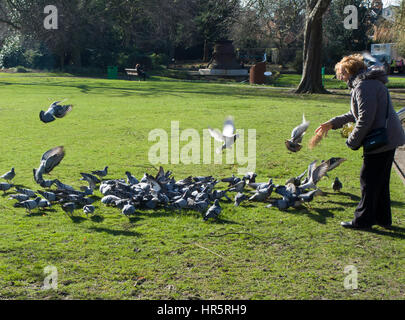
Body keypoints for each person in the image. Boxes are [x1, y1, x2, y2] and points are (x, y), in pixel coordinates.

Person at [315, 54, 405, 230]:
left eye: (341, 73)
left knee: (368, 180)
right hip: (388, 137)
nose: (340, 77)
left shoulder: (364, 86)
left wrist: (352, 141)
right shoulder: (366, 83)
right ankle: (383, 218)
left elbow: (365, 119)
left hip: (381, 140)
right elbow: (354, 113)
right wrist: (332, 123)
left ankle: (363, 221)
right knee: (379, 180)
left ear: (349, 71)